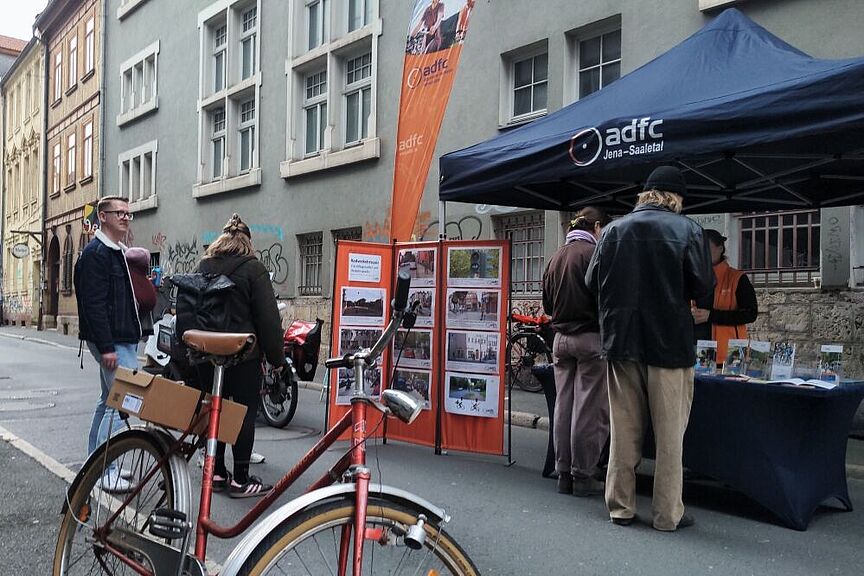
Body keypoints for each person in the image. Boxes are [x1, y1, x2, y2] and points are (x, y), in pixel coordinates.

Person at [585, 166, 714, 531]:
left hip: (621, 341)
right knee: (670, 434)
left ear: (645, 194)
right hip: (669, 344)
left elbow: (590, 281)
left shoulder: (611, 231)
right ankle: (666, 514)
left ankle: (620, 506)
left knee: (624, 429)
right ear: (675, 198)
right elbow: (703, 286)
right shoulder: (688, 229)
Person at [194, 213, 285, 498]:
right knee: (243, 413)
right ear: (247, 241)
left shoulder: (203, 265)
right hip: (243, 355)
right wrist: (277, 359)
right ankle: (241, 478)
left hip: (208, 353)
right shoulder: (253, 269)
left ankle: (218, 472)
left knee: (216, 411)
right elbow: (268, 319)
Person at [542, 206, 611, 497]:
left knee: (563, 406)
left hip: (561, 339)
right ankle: (583, 474)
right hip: (590, 338)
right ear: (596, 227)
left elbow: (546, 305)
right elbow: (606, 299)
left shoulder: (557, 255)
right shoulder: (594, 254)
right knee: (588, 409)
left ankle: (563, 472)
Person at [74, 196, 141, 492]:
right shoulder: (96, 254)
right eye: (119, 213)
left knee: (107, 402)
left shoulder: (115, 252)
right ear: (103, 216)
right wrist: (106, 348)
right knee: (120, 403)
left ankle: (97, 464)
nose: (126, 218)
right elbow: (94, 304)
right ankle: (105, 469)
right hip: (112, 341)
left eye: (128, 213)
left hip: (119, 338)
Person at [692, 229, 758, 363]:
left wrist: (711, 316)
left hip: (728, 354)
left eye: (707, 248)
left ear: (720, 248)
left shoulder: (737, 278)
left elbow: (750, 314)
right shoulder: (692, 277)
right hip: (695, 351)